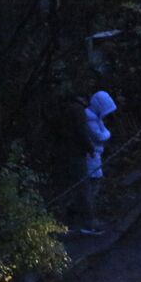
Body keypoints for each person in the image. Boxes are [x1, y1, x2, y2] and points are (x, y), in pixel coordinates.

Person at [53, 93, 95, 229]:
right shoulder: (77, 110)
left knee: (67, 186)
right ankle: (88, 221)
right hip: (76, 152)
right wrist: (90, 148)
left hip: (63, 151)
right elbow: (81, 132)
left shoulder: (64, 108)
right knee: (83, 185)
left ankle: (60, 220)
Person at [81, 90, 117, 235]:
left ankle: (90, 215)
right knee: (91, 184)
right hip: (91, 156)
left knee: (94, 184)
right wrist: (108, 134)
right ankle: (88, 218)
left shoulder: (95, 119)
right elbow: (101, 135)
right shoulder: (89, 120)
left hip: (95, 155)